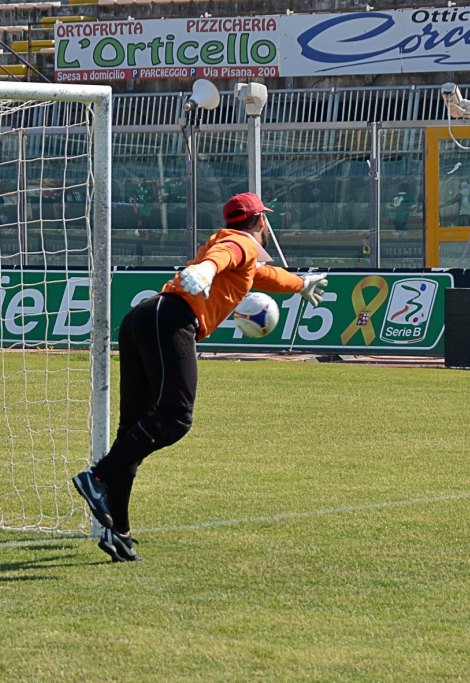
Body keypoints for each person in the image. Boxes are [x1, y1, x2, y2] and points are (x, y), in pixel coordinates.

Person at [71, 192, 328, 562]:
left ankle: (119, 532)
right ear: (260, 221)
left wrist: (300, 284)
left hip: (143, 318)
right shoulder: (240, 242)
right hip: (170, 320)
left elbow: (266, 275)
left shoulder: (241, 254)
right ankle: (98, 478)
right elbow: (225, 254)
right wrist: (206, 269)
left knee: (133, 432)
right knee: (176, 418)